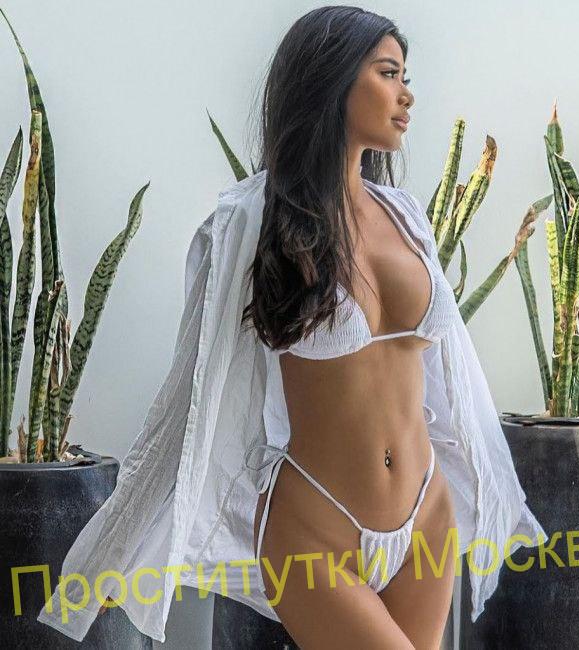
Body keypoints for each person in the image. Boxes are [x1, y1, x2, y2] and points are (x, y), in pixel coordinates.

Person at [38, 6, 547, 647]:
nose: (407, 95)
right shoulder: (251, 225)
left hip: (426, 514)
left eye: (406, 76)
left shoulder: (406, 217)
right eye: (389, 73)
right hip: (315, 527)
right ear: (332, 80)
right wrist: (115, 546)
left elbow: (453, 380)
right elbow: (191, 393)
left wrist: (488, 491)